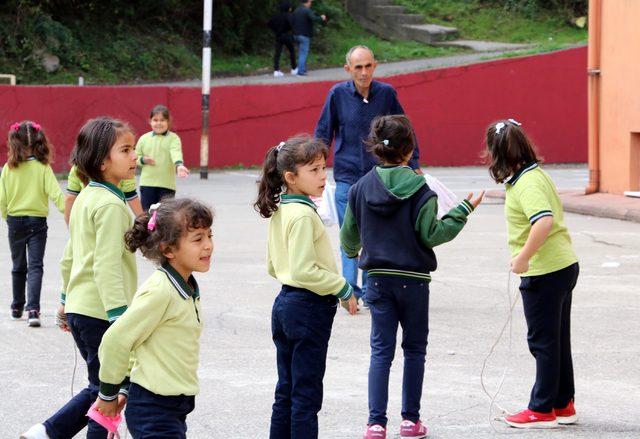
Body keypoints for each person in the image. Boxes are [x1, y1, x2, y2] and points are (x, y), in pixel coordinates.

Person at [340, 115, 483, 439]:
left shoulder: (360, 188)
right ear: (410, 149)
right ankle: (410, 421)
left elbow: (349, 240)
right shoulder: (423, 189)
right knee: (414, 350)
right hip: (414, 280)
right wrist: (462, 210)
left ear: (376, 148)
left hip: (376, 280)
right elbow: (432, 234)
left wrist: (361, 248)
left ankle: (375, 424)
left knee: (381, 351)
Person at [21, 117, 138, 439]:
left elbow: (71, 255)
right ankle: (47, 431)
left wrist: (64, 300)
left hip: (81, 307)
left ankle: (47, 432)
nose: (134, 157)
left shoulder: (86, 196)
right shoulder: (112, 205)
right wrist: (119, 318)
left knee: (102, 387)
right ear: (102, 161)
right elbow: (105, 265)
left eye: (134, 149)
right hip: (101, 312)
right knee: (109, 390)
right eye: (126, 150)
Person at [254, 135, 358, 439]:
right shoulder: (302, 215)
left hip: (285, 304)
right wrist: (342, 287)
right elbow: (303, 270)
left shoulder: (282, 210)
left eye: (323, 168)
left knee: (286, 390)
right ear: (291, 177)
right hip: (307, 309)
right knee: (306, 396)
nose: (323, 176)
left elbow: (274, 267)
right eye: (313, 170)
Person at [484, 119, 579, 429]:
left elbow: (543, 221)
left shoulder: (526, 183)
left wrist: (524, 257)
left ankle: (541, 408)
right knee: (557, 338)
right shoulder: (534, 175)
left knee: (543, 341)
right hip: (562, 266)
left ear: (497, 154)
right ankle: (562, 402)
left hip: (545, 271)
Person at [95, 198, 213, 438]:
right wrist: (108, 393)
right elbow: (116, 340)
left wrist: (125, 387)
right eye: (198, 239)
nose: (208, 245)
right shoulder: (160, 291)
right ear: (168, 249)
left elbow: (139, 342)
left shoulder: (185, 285)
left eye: (209, 235)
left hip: (174, 406)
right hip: (154, 409)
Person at [315, 45, 421, 306]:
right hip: (347, 176)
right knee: (349, 233)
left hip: (379, 176)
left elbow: (404, 129)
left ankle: (371, 289)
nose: (363, 72)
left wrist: (414, 162)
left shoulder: (386, 94)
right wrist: (314, 167)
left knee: (374, 234)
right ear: (347, 69)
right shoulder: (337, 94)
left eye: (368, 66)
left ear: (375, 65)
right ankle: (350, 291)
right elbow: (323, 132)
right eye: (358, 67)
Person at [0, 121, 64, 327]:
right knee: (35, 266)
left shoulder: (8, 169)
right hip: (37, 222)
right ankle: (33, 310)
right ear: (39, 142)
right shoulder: (43, 167)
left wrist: (7, 217)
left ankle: (16, 307)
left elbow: (2, 198)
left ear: (14, 143)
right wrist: (70, 213)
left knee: (18, 266)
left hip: (15, 221)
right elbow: (56, 194)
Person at [136, 104, 189, 211]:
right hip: (147, 184)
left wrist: (179, 165)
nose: (159, 123)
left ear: (168, 122)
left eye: (162, 120)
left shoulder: (173, 138)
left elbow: (176, 152)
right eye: (155, 120)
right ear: (150, 121)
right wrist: (142, 160)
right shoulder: (144, 139)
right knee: (147, 215)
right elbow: (135, 157)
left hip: (167, 186)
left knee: (165, 217)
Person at [65, 164, 142, 224]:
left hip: (84, 218)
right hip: (113, 216)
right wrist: (143, 221)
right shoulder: (122, 167)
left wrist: (70, 225)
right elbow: (130, 195)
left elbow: (70, 198)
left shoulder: (77, 167)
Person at [291, 0, 326, 76]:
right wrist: (321, 17)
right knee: (303, 53)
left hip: (295, 35)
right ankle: (301, 71)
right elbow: (313, 18)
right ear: (307, 2)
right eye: (310, 2)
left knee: (300, 53)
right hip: (304, 35)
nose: (310, 3)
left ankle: (301, 68)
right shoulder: (307, 10)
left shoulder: (296, 10)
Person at [268, 1, 298, 77]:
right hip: (287, 35)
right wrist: (294, 33)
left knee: (277, 53)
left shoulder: (276, 15)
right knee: (292, 52)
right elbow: (293, 25)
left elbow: (269, 24)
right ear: (288, 8)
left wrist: (275, 30)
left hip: (278, 36)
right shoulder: (290, 15)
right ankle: (294, 68)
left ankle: (276, 70)